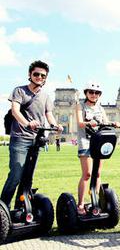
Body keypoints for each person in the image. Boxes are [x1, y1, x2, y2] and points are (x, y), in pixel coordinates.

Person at [1, 60, 63, 208]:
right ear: (30, 74)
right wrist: (27, 123)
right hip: (20, 139)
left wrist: (55, 125)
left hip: (36, 140)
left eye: (43, 75)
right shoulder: (20, 91)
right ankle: (3, 208)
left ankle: (19, 208)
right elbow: (15, 111)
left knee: (28, 178)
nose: (39, 77)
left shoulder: (46, 96)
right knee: (16, 175)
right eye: (36, 74)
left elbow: (48, 114)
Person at [75, 81, 120, 215]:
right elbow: (79, 123)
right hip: (85, 142)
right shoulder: (80, 106)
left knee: (98, 174)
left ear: (99, 95)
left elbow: (105, 122)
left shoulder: (100, 108)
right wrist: (89, 123)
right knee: (87, 174)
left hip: (99, 142)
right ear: (86, 93)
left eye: (96, 93)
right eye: (91, 92)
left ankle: (96, 201)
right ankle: (81, 204)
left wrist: (113, 123)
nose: (93, 95)